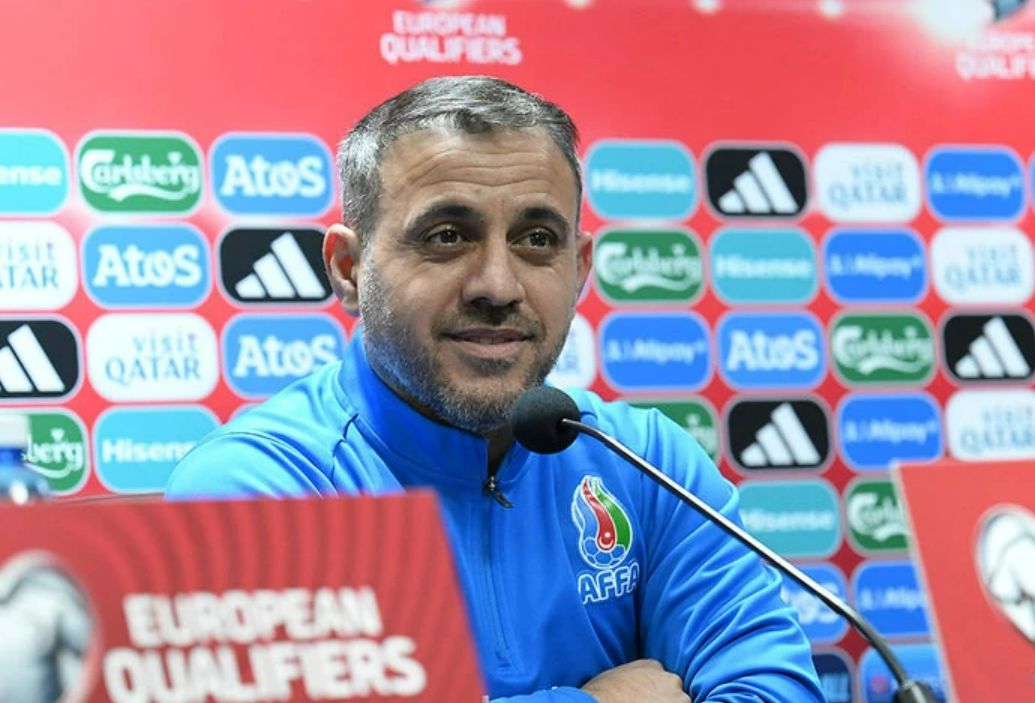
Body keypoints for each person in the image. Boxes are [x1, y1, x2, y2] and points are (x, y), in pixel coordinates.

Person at [167, 75, 824, 702]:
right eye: (447, 237)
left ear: (578, 268)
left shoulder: (646, 460)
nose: (498, 286)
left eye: (536, 240)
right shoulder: (260, 490)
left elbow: (775, 689)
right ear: (348, 268)